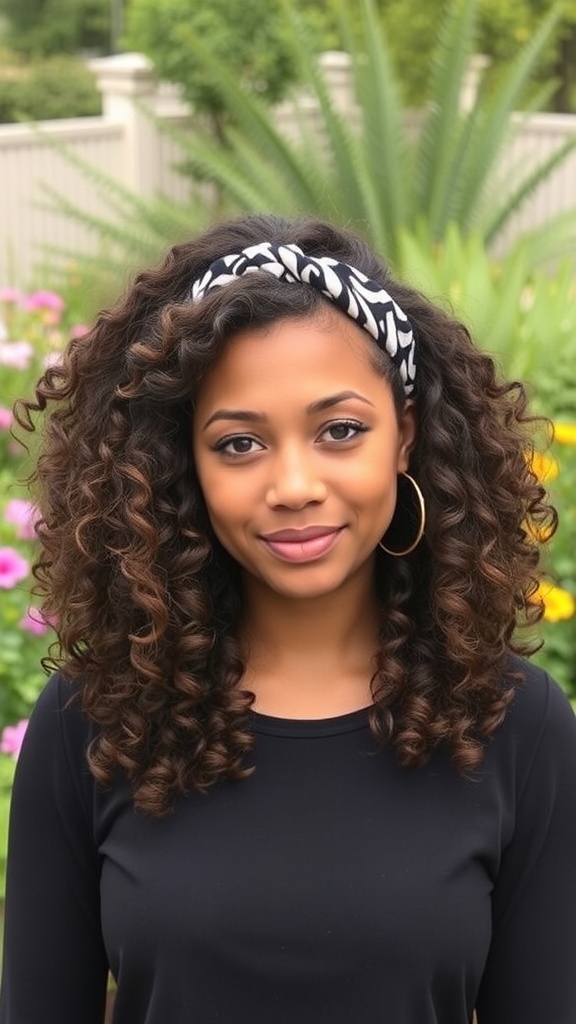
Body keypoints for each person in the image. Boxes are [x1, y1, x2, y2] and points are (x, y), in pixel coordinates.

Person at [1, 214, 575, 1024]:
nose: (294, 484)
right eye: (239, 444)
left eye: (340, 431)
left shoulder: (517, 726)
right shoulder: (92, 723)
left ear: (404, 437)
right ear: (181, 464)